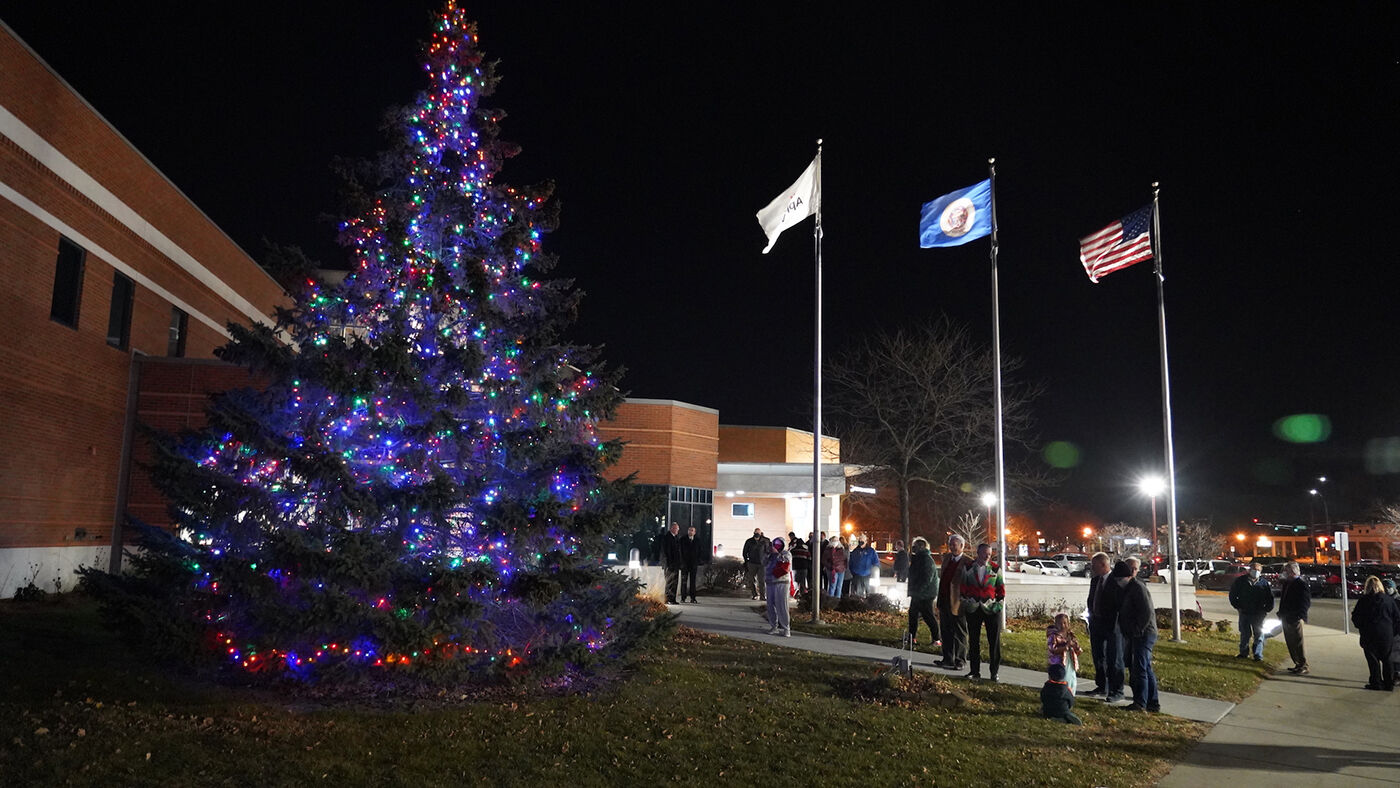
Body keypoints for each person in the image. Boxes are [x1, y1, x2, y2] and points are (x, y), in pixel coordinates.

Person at [1116, 556, 1159, 712]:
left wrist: (1137, 630)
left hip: (1143, 634)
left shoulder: (1137, 587)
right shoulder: (1129, 587)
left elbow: (1146, 612)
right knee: (1144, 667)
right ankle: (1151, 702)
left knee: (1140, 668)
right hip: (1137, 633)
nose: (1118, 582)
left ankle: (1141, 702)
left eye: (1120, 579)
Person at [960, 542, 1005, 681]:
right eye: (985, 553)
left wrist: (998, 605)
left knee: (994, 641)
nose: (987, 556)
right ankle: (975, 671)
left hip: (991, 608)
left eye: (989, 554)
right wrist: (966, 601)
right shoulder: (968, 568)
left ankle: (994, 672)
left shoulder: (996, 569)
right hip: (973, 608)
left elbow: (1001, 590)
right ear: (978, 553)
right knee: (974, 641)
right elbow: (963, 586)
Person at [1085, 553, 1125, 702]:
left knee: (1114, 658)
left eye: (1093, 565)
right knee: (1099, 657)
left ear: (1103, 564)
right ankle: (1102, 686)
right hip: (1096, 624)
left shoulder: (1116, 581)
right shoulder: (1095, 580)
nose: (1091, 568)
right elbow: (1091, 600)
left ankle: (1117, 690)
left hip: (1113, 626)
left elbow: (1119, 604)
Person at [1351, 575, 1400, 690]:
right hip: (1386, 635)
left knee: (1373, 661)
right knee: (1387, 659)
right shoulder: (1389, 600)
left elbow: (1356, 617)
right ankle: (1389, 683)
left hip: (1369, 634)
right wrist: (1393, 631)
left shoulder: (1363, 600)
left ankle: (1376, 682)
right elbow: (1397, 618)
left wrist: (1361, 627)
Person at [936, 535, 971, 669]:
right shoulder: (946, 559)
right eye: (950, 544)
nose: (952, 547)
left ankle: (960, 659)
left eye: (954, 545)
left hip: (958, 602)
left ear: (962, 546)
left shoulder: (967, 562)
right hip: (944, 600)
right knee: (945, 631)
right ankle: (947, 658)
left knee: (960, 632)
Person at [1229, 562, 1274, 660]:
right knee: (1245, 633)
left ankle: (1258, 654)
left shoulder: (1264, 583)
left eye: (1258, 570)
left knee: (1259, 634)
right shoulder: (1241, 581)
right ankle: (1243, 652)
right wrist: (1237, 606)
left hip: (1259, 613)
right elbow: (1232, 594)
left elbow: (1270, 598)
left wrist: (1267, 609)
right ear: (1249, 570)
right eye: (1254, 569)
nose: (1256, 572)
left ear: (1261, 571)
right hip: (1244, 611)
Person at [905, 537, 940, 647]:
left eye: (916, 546)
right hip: (918, 593)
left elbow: (926, 579)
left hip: (925, 594)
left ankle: (937, 639)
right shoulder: (918, 559)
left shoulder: (926, 560)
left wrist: (918, 591)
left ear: (922, 547)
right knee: (913, 615)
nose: (914, 548)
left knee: (928, 616)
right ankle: (912, 638)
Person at [1277, 561, 1311, 674]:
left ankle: (1303, 664)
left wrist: (1299, 616)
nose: (1284, 573)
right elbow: (1284, 600)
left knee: (1298, 642)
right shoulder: (1287, 583)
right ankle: (1297, 663)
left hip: (1295, 618)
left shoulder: (1301, 584)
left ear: (1292, 572)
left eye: (1286, 571)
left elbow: (1305, 603)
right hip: (1285, 617)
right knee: (1290, 642)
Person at [1047, 612, 1083, 694]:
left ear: (1068, 624)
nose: (1063, 625)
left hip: (1070, 662)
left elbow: (1078, 650)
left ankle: (1070, 695)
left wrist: (1076, 647)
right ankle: (1060, 696)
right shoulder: (1053, 636)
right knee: (1061, 679)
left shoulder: (1071, 635)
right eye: (1060, 623)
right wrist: (1065, 647)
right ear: (1056, 624)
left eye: (1064, 623)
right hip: (1059, 663)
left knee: (1071, 680)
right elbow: (1052, 649)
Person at [765, 537, 793, 636]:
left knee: (782, 605)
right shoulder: (770, 556)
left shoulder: (786, 554)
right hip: (770, 583)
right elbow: (764, 564)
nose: (775, 546)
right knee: (770, 606)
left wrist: (777, 553)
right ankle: (774, 626)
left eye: (778, 544)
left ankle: (786, 628)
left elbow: (786, 565)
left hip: (782, 582)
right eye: (774, 544)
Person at [657, 522, 682, 605]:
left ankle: (672, 598)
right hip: (670, 564)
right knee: (670, 582)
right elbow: (666, 552)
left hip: (675, 564)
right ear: (672, 529)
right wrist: (668, 564)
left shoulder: (675, 538)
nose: (677, 530)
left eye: (678, 529)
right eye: (676, 529)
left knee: (675, 582)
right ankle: (668, 598)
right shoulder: (667, 538)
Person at [742, 528, 768, 601]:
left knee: (761, 580)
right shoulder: (749, 541)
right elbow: (744, 552)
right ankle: (754, 594)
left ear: (760, 533)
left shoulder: (765, 541)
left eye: (758, 533)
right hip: (752, 563)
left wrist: (766, 561)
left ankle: (763, 596)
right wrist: (746, 561)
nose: (757, 534)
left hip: (762, 564)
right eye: (755, 533)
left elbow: (768, 551)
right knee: (751, 580)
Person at [678, 525, 701, 604]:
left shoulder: (697, 540)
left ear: (694, 532)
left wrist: (698, 561)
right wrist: (682, 562)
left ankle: (693, 598)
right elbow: (680, 552)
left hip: (693, 564)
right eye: (689, 530)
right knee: (684, 581)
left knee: (693, 581)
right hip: (685, 564)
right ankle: (683, 597)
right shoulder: (682, 540)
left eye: (692, 530)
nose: (690, 532)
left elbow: (700, 552)